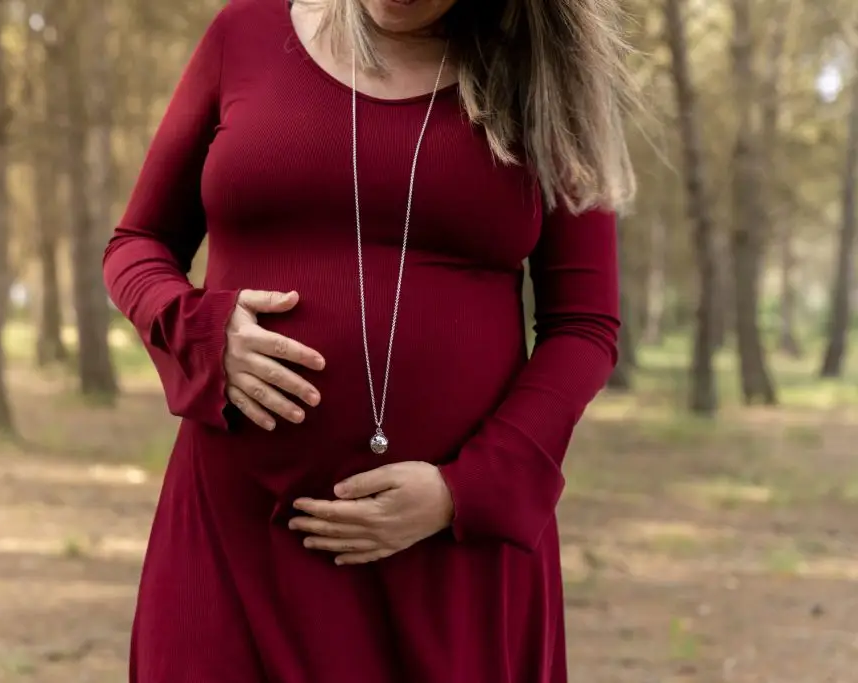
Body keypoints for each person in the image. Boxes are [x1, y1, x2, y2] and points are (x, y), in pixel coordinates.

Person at [102, 0, 636, 680]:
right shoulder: (244, 35)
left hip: (444, 556)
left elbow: (584, 323)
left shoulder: (546, 76)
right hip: (232, 533)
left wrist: (464, 490)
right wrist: (199, 330)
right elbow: (137, 245)